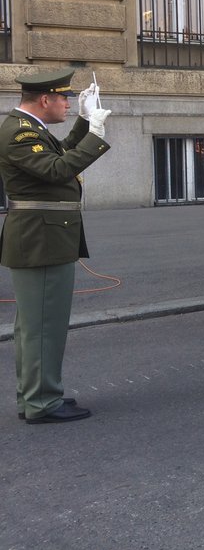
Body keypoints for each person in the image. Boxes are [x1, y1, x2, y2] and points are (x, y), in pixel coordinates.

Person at [0, 68, 111, 423]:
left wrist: (81, 122)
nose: (67, 102)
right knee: (43, 327)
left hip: (43, 237)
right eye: (64, 98)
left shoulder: (29, 128)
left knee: (35, 326)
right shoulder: (19, 132)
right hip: (41, 239)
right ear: (45, 100)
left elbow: (59, 151)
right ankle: (42, 403)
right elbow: (56, 170)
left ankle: (34, 396)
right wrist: (95, 135)